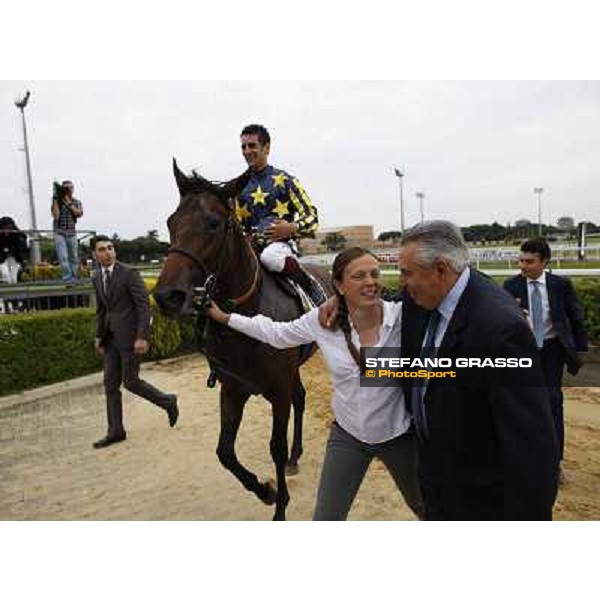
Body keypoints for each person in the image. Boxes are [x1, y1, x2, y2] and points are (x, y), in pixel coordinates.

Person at [207, 246, 424, 520]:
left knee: (424, 507)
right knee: (325, 519)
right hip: (348, 437)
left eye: (374, 274)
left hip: (399, 437)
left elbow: (446, 364)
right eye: (358, 276)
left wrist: (394, 367)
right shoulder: (321, 320)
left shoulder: (405, 317)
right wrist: (226, 318)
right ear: (338, 286)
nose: (370, 282)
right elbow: (276, 333)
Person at [397, 221, 559, 520]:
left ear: (442, 270)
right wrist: (340, 303)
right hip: (437, 481)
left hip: (479, 500)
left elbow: (531, 445)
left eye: (406, 273)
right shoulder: (422, 296)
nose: (401, 282)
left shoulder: (500, 328)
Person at [503, 238, 588, 477]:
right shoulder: (511, 286)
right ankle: (524, 456)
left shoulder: (560, 285)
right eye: (521, 260)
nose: (523, 266)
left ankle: (554, 461)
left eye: (529, 261)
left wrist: (580, 350)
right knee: (520, 404)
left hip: (552, 351)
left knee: (552, 402)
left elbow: (575, 317)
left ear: (544, 262)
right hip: (523, 352)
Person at [92, 235, 179, 449]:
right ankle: (116, 431)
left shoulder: (129, 273)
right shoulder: (96, 277)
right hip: (109, 338)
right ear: (95, 254)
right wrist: (98, 336)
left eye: (110, 248)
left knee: (130, 382)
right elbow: (102, 310)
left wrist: (142, 336)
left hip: (131, 338)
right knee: (110, 385)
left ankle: (168, 401)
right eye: (102, 249)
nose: (108, 252)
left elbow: (144, 306)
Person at [236, 124, 324, 304]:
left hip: (280, 247)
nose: (247, 151)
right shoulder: (239, 186)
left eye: (252, 145)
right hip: (251, 247)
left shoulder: (285, 180)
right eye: (243, 147)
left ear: (266, 148)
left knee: (269, 257)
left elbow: (312, 217)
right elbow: (237, 224)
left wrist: (291, 228)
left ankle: (309, 285)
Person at [51, 180, 83, 283]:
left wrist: (68, 202)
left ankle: (75, 278)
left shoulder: (77, 202)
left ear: (73, 189)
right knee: (63, 257)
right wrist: (56, 199)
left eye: (70, 187)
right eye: (66, 188)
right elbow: (56, 216)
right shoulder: (57, 202)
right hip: (59, 232)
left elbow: (79, 213)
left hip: (72, 232)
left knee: (74, 257)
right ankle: (68, 279)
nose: (68, 190)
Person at [0, 216, 28, 284]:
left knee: (13, 279)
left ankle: (13, 293)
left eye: (8, 227)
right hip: (2, 259)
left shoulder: (17, 235)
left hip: (14, 258)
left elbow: (23, 247)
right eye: (4, 228)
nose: (6, 230)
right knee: (5, 274)